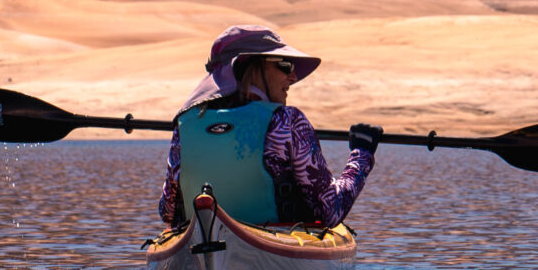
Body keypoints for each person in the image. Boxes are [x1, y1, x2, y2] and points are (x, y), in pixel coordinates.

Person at [160, 25, 382, 228]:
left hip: (201, 241)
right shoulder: (288, 122)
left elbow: (168, 212)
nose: (293, 77)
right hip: (276, 246)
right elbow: (330, 211)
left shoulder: (185, 125)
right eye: (285, 66)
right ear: (251, 68)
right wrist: (361, 155)